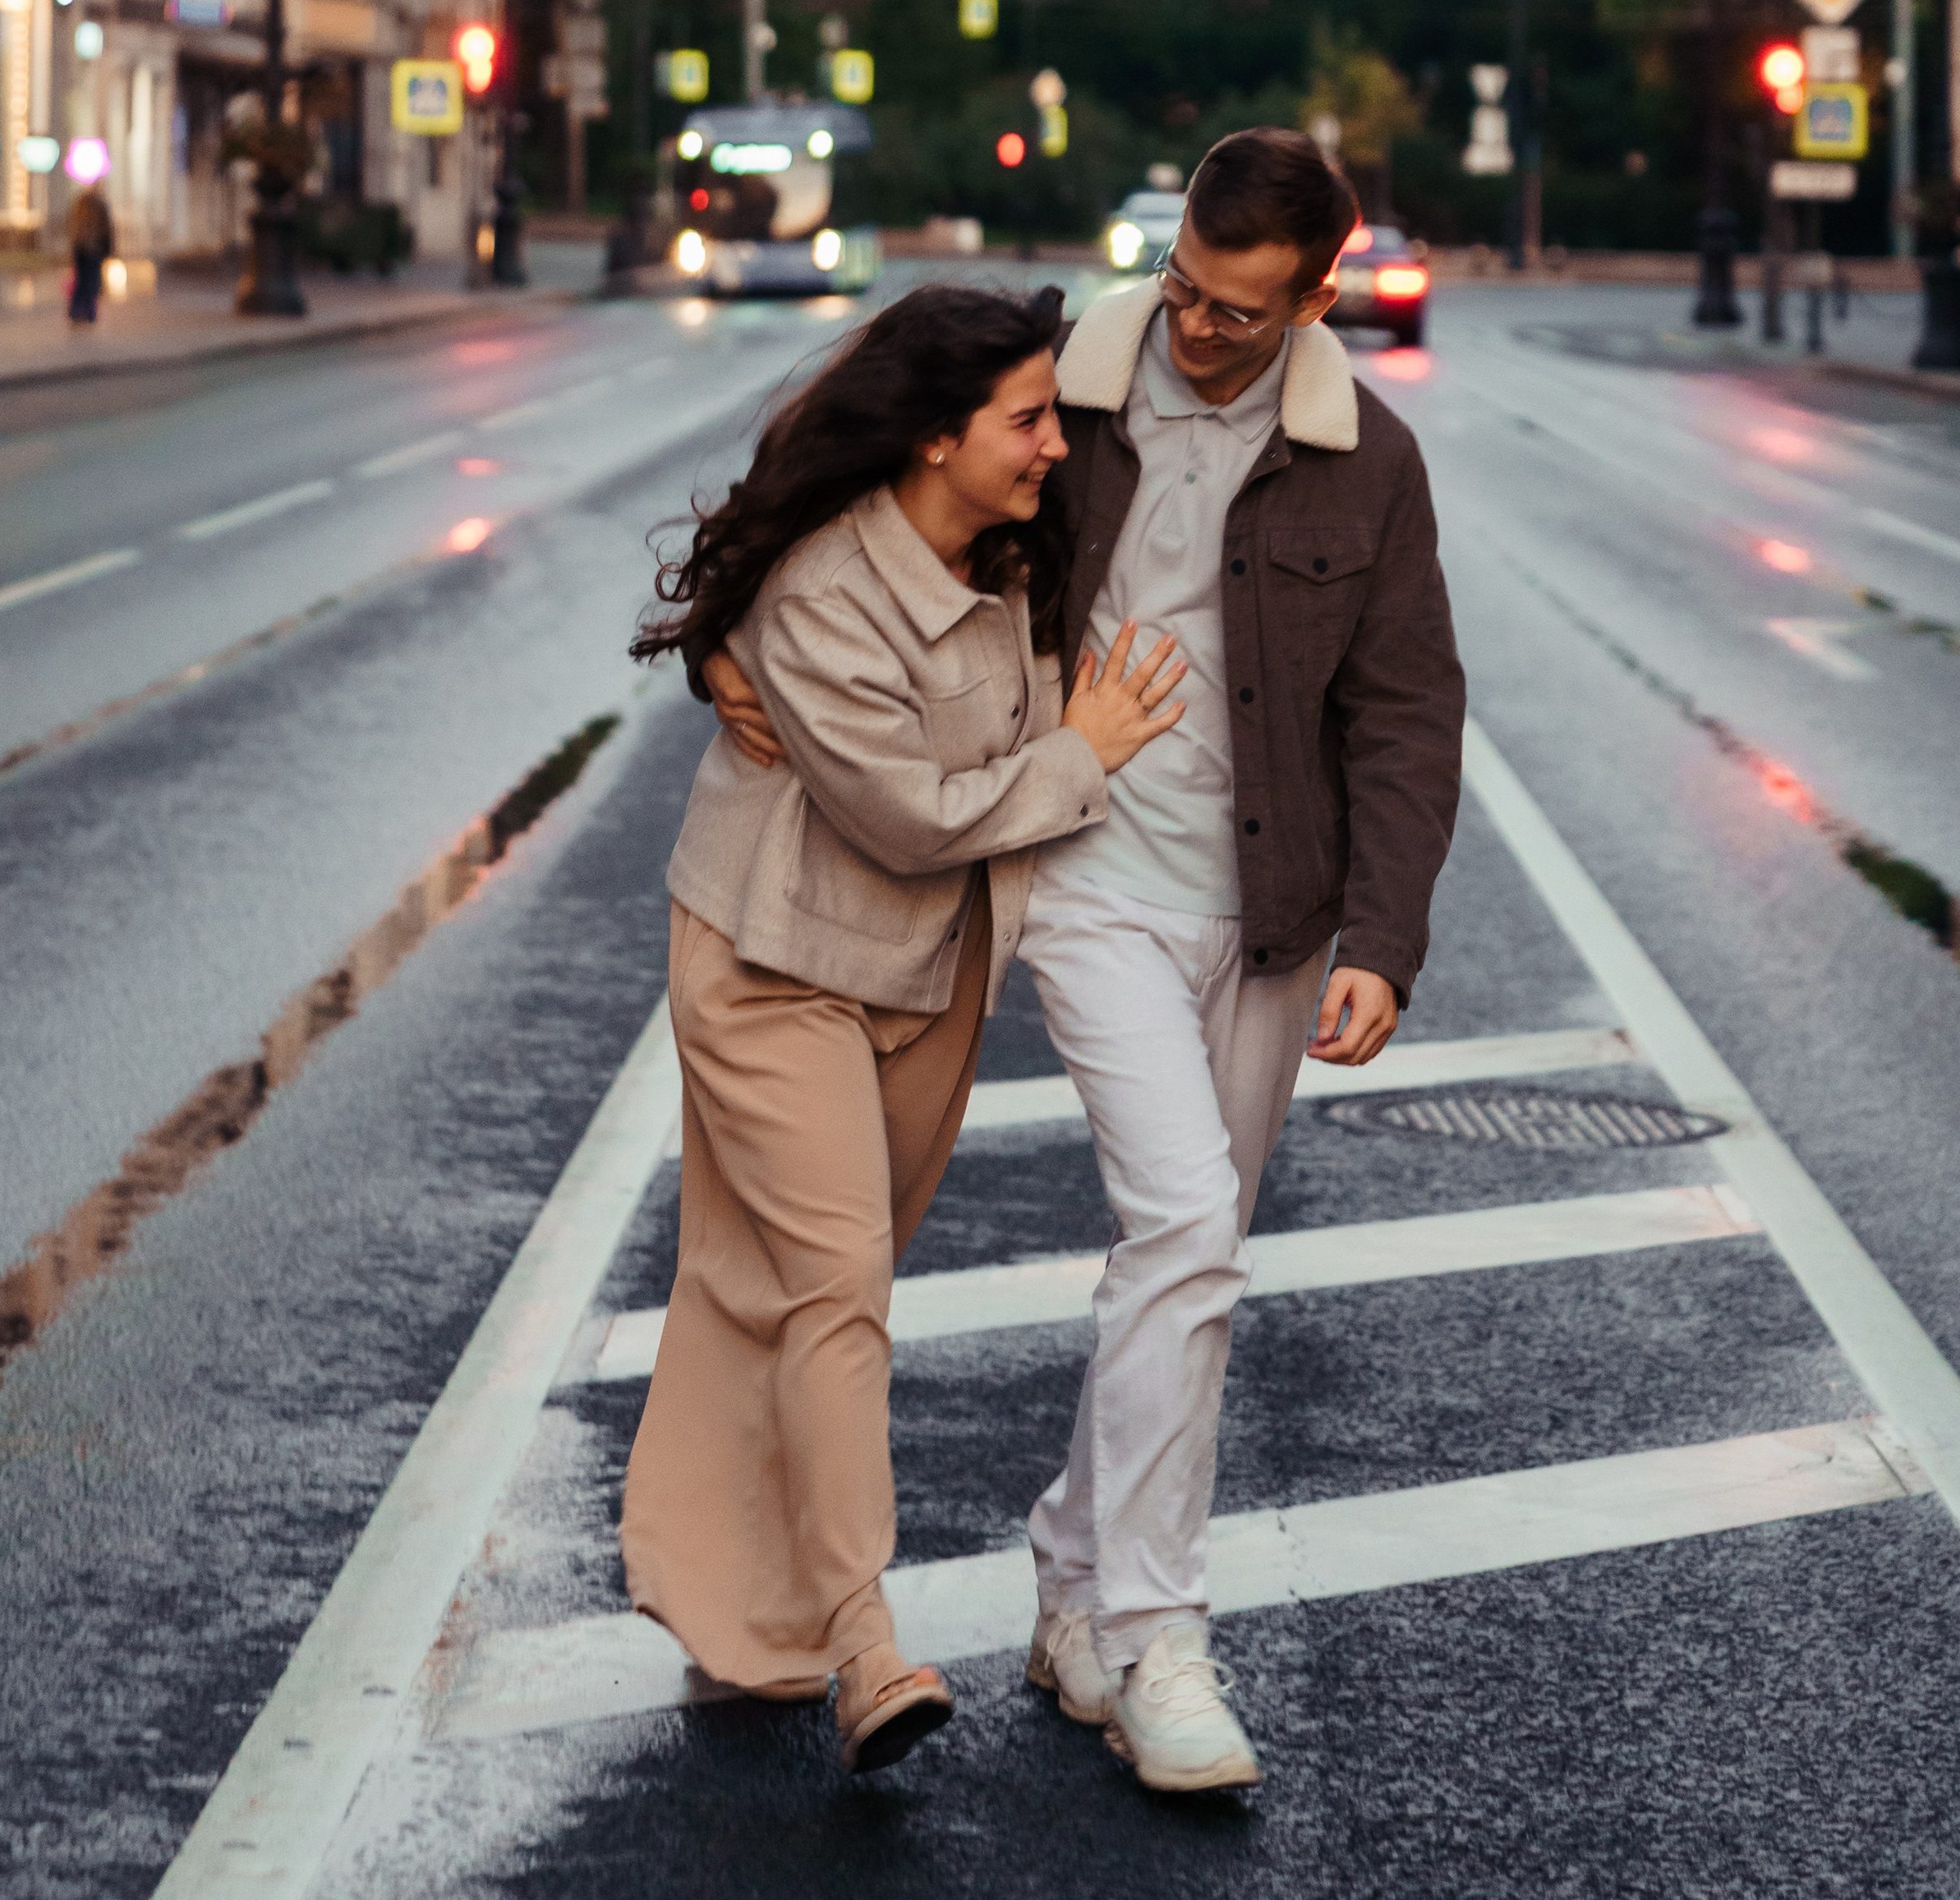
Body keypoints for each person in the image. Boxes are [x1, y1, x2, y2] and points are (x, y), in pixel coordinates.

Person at [711, 129, 1465, 1793]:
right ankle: (1159, 1638)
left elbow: (1403, 708)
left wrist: (1383, 942)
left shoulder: (1365, 457)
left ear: (1313, 297)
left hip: (1266, 910)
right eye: (1184, 287)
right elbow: (849, 473)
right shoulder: (1073, 388)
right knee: (1185, 1224)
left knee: (1179, 1270)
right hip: (1079, 872)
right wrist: (720, 638)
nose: (1193, 327)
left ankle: (1065, 1587)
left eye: (1236, 313)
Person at [621, 282, 1184, 1779]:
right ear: (935, 438)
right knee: (836, 1287)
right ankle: (863, 1644)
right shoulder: (820, 591)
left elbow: (1154, 369)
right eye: (1025, 420)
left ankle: (728, 1606)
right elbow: (909, 819)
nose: (1056, 444)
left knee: (771, 1290)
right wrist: (1083, 753)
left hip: (923, 984)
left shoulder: (1013, 547)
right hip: (775, 962)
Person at [67, 182, 114, 324]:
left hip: (80, 247)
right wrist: (108, 249)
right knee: (91, 281)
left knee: (82, 281)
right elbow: (106, 229)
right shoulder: (100, 205)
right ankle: (88, 313)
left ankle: (76, 312)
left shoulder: (79, 204)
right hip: (93, 248)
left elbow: (72, 226)